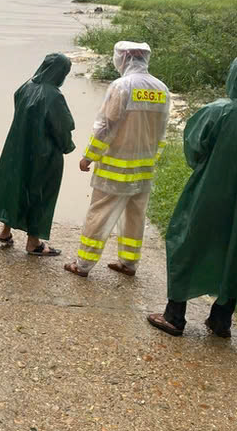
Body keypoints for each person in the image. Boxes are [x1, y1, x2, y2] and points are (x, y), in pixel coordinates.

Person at [148, 52, 237, 338]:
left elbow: (195, 148)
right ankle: (221, 320)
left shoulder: (219, 110)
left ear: (234, 76)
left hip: (210, 194)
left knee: (187, 242)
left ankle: (174, 316)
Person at [64, 41, 169, 278]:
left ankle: (82, 264)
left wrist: (89, 156)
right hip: (144, 168)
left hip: (115, 167)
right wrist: (153, 159)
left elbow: (106, 127)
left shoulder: (122, 87)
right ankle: (129, 263)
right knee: (135, 216)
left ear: (123, 59)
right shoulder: (161, 89)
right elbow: (162, 132)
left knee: (99, 215)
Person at [0, 53, 75, 255]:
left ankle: (5, 232)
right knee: (41, 194)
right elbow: (62, 127)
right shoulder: (53, 95)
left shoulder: (25, 86)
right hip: (44, 154)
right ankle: (34, 243)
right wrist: (67, 146)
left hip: (17, 149)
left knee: (16, 187)